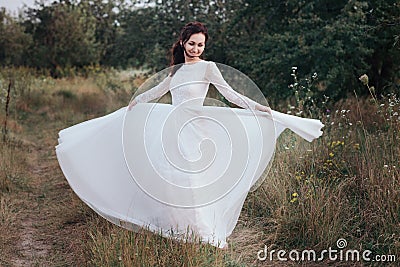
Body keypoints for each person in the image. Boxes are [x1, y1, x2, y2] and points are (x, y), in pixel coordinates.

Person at [56, 21, 323, 249]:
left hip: (198, 127)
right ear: (183, 42)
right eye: (192, 44)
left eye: (200, 45)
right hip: (172, 127)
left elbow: (230, 94)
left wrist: (258, 107)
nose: (196, 49)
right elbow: (158, 90)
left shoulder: (208, 68)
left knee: (194, 178)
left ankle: (203, 231)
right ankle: (177, 228)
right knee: (172, 177)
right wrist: (135, 104)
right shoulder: (176, 70)